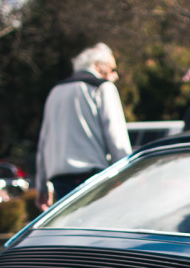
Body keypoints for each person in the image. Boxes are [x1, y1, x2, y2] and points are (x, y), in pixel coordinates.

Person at [35, 43, 131, 210]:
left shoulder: (55, 91)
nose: (115, 75)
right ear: (98, 66)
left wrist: (42, 185)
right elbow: (116, 139)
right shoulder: (102, 88)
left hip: (59, 178)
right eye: (112, 68)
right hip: (92, 177)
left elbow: (44, 142)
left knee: (71, 232)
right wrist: (127, 175)